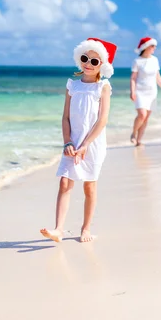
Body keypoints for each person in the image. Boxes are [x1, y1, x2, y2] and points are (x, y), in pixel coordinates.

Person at [40, 37, 116, 243]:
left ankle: (86, 228)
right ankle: (59, 229)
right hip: (72, 143)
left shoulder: (103, 87)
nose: (88, 64)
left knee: (89, 186)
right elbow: (65, 117)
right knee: (65, 183)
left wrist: (86, 145)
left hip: (93, 144)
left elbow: (103, 120)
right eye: (85, 58)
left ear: (103, 64)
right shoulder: (72, 85)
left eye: (94, 61)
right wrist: (68, 141)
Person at [129, 37, 161, 146]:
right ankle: (133, 133)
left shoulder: (155, 60)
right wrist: (132, 91)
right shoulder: (137, 61)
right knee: (142, 115)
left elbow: (157, 76)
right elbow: (133, 78)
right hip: (140, 92)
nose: (154, 48)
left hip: (152, 92)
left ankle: (139, 140)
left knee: (146, 118)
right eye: (152, 46)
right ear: (146, 47)